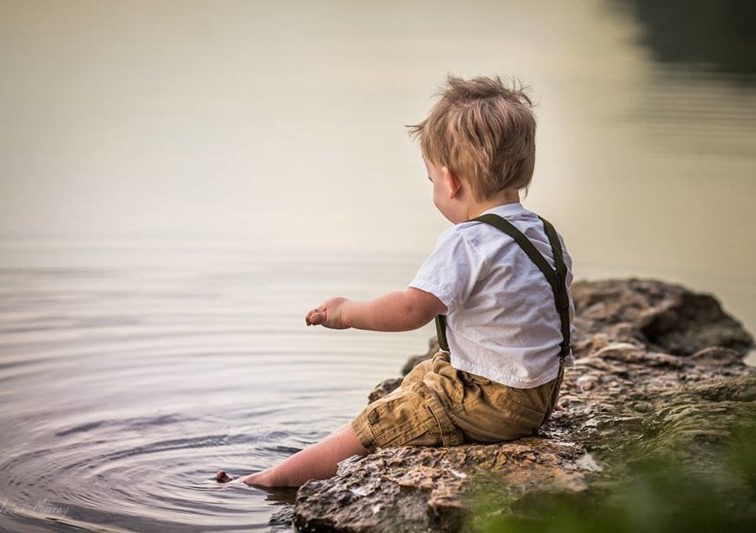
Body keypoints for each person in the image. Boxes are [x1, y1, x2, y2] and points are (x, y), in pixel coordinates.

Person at [216, 74, 575, 488]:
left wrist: (348, 312)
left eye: (431, 182)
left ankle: (268, 481)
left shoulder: (470, 241)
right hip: (536, 396)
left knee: (377, 423)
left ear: (451, 181)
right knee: (426, 373)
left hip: (492, 406)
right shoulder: (543, 233)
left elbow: (411, 308)